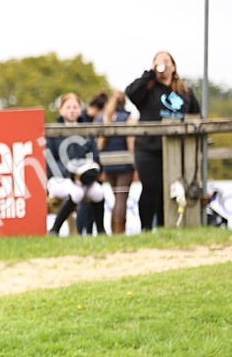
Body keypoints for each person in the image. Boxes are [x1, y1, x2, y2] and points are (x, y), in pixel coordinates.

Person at [125, 51, 200, 230]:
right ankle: (146, 229)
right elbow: (131, 92)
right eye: (158, 62)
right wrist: (150, 74)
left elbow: (196, 115)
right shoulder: (147, 90)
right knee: (151, 187)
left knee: (169, 190)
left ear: (174, 67)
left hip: (175, 149)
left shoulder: (185, 92)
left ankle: (164, 227)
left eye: (166, 62)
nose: (162, 65)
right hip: (148, 148)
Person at [46, 93, 103, 236]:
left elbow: (95, 156)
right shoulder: (53, 132)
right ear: (61, 110)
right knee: (76, 192)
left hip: (84, 179)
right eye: (68, 107)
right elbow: (51, 162)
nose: (71, 110)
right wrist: (72, 174)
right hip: (60, 179)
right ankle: (55, 230)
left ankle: (101, 231)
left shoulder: (86, 131)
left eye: (75, 107)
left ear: (79, 109)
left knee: (98, 192)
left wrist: (90, 171)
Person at [96, 90, 135, 234]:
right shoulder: (127, 118)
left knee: (116, 196)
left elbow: (98, 145)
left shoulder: (101, 118)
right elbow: (131, 144)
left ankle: (113, 229)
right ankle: (118, 231)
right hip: (124, 164)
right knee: (121, 197)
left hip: (107, 164)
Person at [75, 94, 108, 236]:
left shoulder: (89, 120)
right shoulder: (82, 121)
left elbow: (95, 150)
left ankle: (90, 231)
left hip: (92, 166)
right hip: (81, 168)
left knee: (93, 199)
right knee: (84, 203)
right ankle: (82, 231)